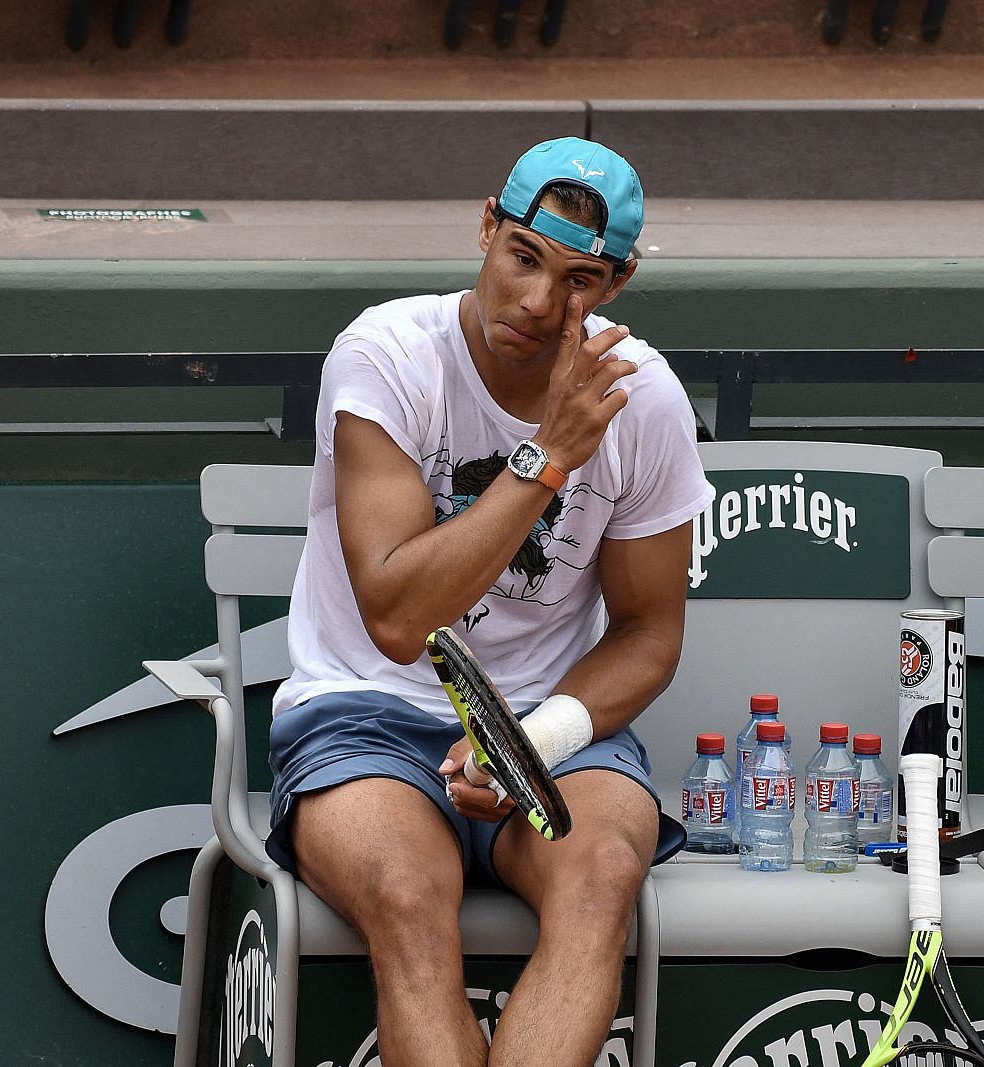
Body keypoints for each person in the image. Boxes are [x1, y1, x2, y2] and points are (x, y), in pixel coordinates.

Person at [265, 137, 713, 1067]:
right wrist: (547, 457)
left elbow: (649, 633)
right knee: (404, 898)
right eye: (523, 257)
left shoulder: (646, 403)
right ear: (486, 227)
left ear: (618, 284)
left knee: (603, 879)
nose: (540, 303)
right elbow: (395, 619)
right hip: (366, 713)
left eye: (580, 279)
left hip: (547, 725)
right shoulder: (388, 355)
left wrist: (533, 743)